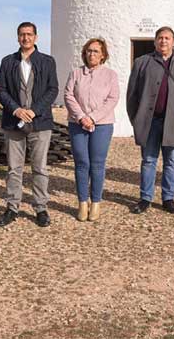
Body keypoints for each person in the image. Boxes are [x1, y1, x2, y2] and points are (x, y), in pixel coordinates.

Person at [126, 26, 174, 215]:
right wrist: (136, 120)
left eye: (167, 38)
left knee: (171, 161)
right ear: (155, 41)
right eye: (160, 38)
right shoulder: (142, 62)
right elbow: (131, 95)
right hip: (150, 122)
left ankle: (168, 198)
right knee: (148, 160)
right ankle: (145, 198)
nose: (163, 41)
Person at [0, 22, 59, 228]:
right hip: (14, 122)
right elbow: (1, 89)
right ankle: (12, 207)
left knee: (39, 168)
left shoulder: (47, 61)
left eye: (29, 34)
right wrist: (16, 109)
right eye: (22, 34)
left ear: (36, 37)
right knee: (14, 168)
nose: (26, 38)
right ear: (17, 37)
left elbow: (52, 89)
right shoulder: (7, 62)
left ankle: (40, 207)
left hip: (40, 123)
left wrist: (34, 110)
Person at [64, 38, 119, 222]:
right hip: (77, 123)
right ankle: (82, 202)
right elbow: (68, 95)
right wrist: (82, 117)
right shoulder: (76, 73)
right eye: (89, 51)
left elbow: (112, 99)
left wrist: (93, 118)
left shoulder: (110, 75)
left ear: (103, 54)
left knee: (97, 164)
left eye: (96, 51)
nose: (91, 54)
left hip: (102, 124)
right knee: (81, 163)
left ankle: (96, 202)